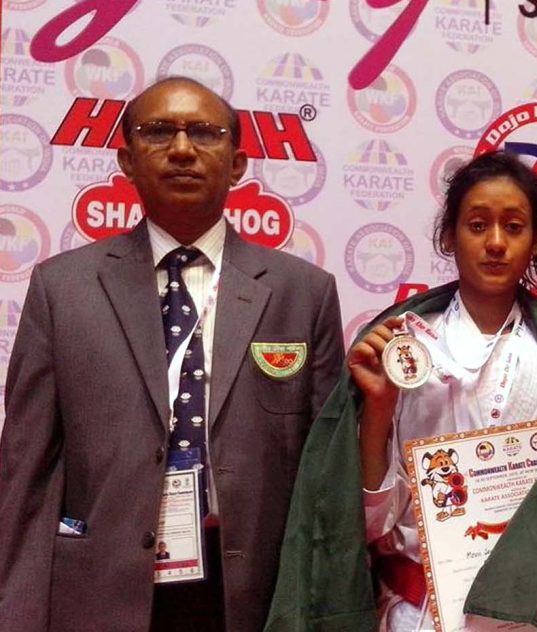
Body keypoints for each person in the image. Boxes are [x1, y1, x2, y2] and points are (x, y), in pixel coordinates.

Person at [0, 76, 345, 632]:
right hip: (101, 593)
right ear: (126, 160)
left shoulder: (302, 293)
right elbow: (26, 473)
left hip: (253, 594)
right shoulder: (61, 289)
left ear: (236, 164)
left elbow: (326, 475)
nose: (182, 149)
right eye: (158, 131)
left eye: (204, 134)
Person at [266, 151, 537, 632]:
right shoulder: (401, 344)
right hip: (413, 612)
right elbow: (362, 524)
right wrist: (381, 405)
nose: (495, 243)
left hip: (522, 620)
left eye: (514, 227)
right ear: (450, 235)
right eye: (476, 225)